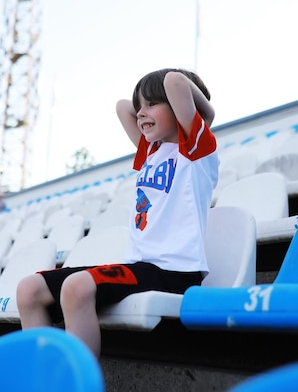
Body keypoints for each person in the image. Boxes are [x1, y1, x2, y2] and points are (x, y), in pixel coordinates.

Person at [16, 68, 218, 358]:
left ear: (180, 106)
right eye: (141, 107)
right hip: (141, 267)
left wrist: (206, 113)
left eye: (152, 104)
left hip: (173, 272)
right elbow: (122, 106)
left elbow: (174, 81)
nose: (140, 113)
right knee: (29, 289)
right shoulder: (151, 151)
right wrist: (146, 104)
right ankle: (47, 380)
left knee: (76, 287)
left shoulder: (195, 150)